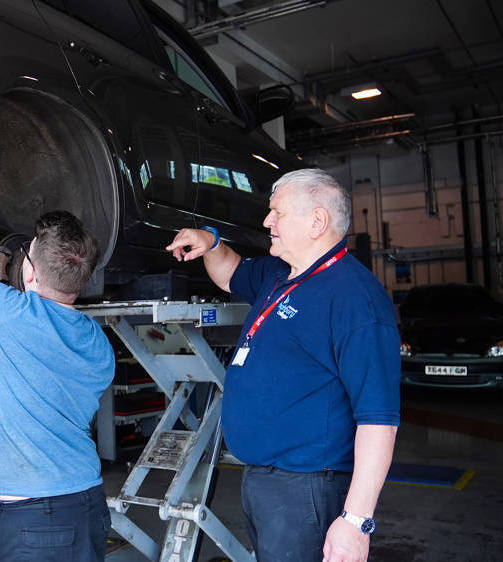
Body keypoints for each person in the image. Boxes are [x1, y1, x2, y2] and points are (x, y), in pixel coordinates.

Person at [166, 168, 399, 562]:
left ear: (317, 221)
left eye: (277, 213)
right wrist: (210, 241)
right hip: (265, 480)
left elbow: (379, 420)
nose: (266, 221)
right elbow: (230, 274)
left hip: (308, 488)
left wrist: (356, 520)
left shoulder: (354, 299)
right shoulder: (280, 273)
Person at [0, 210, 115, 561]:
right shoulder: (98, 341)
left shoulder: (11, 313)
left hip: (32, 522)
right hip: (87, 503)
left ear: (31, 271)